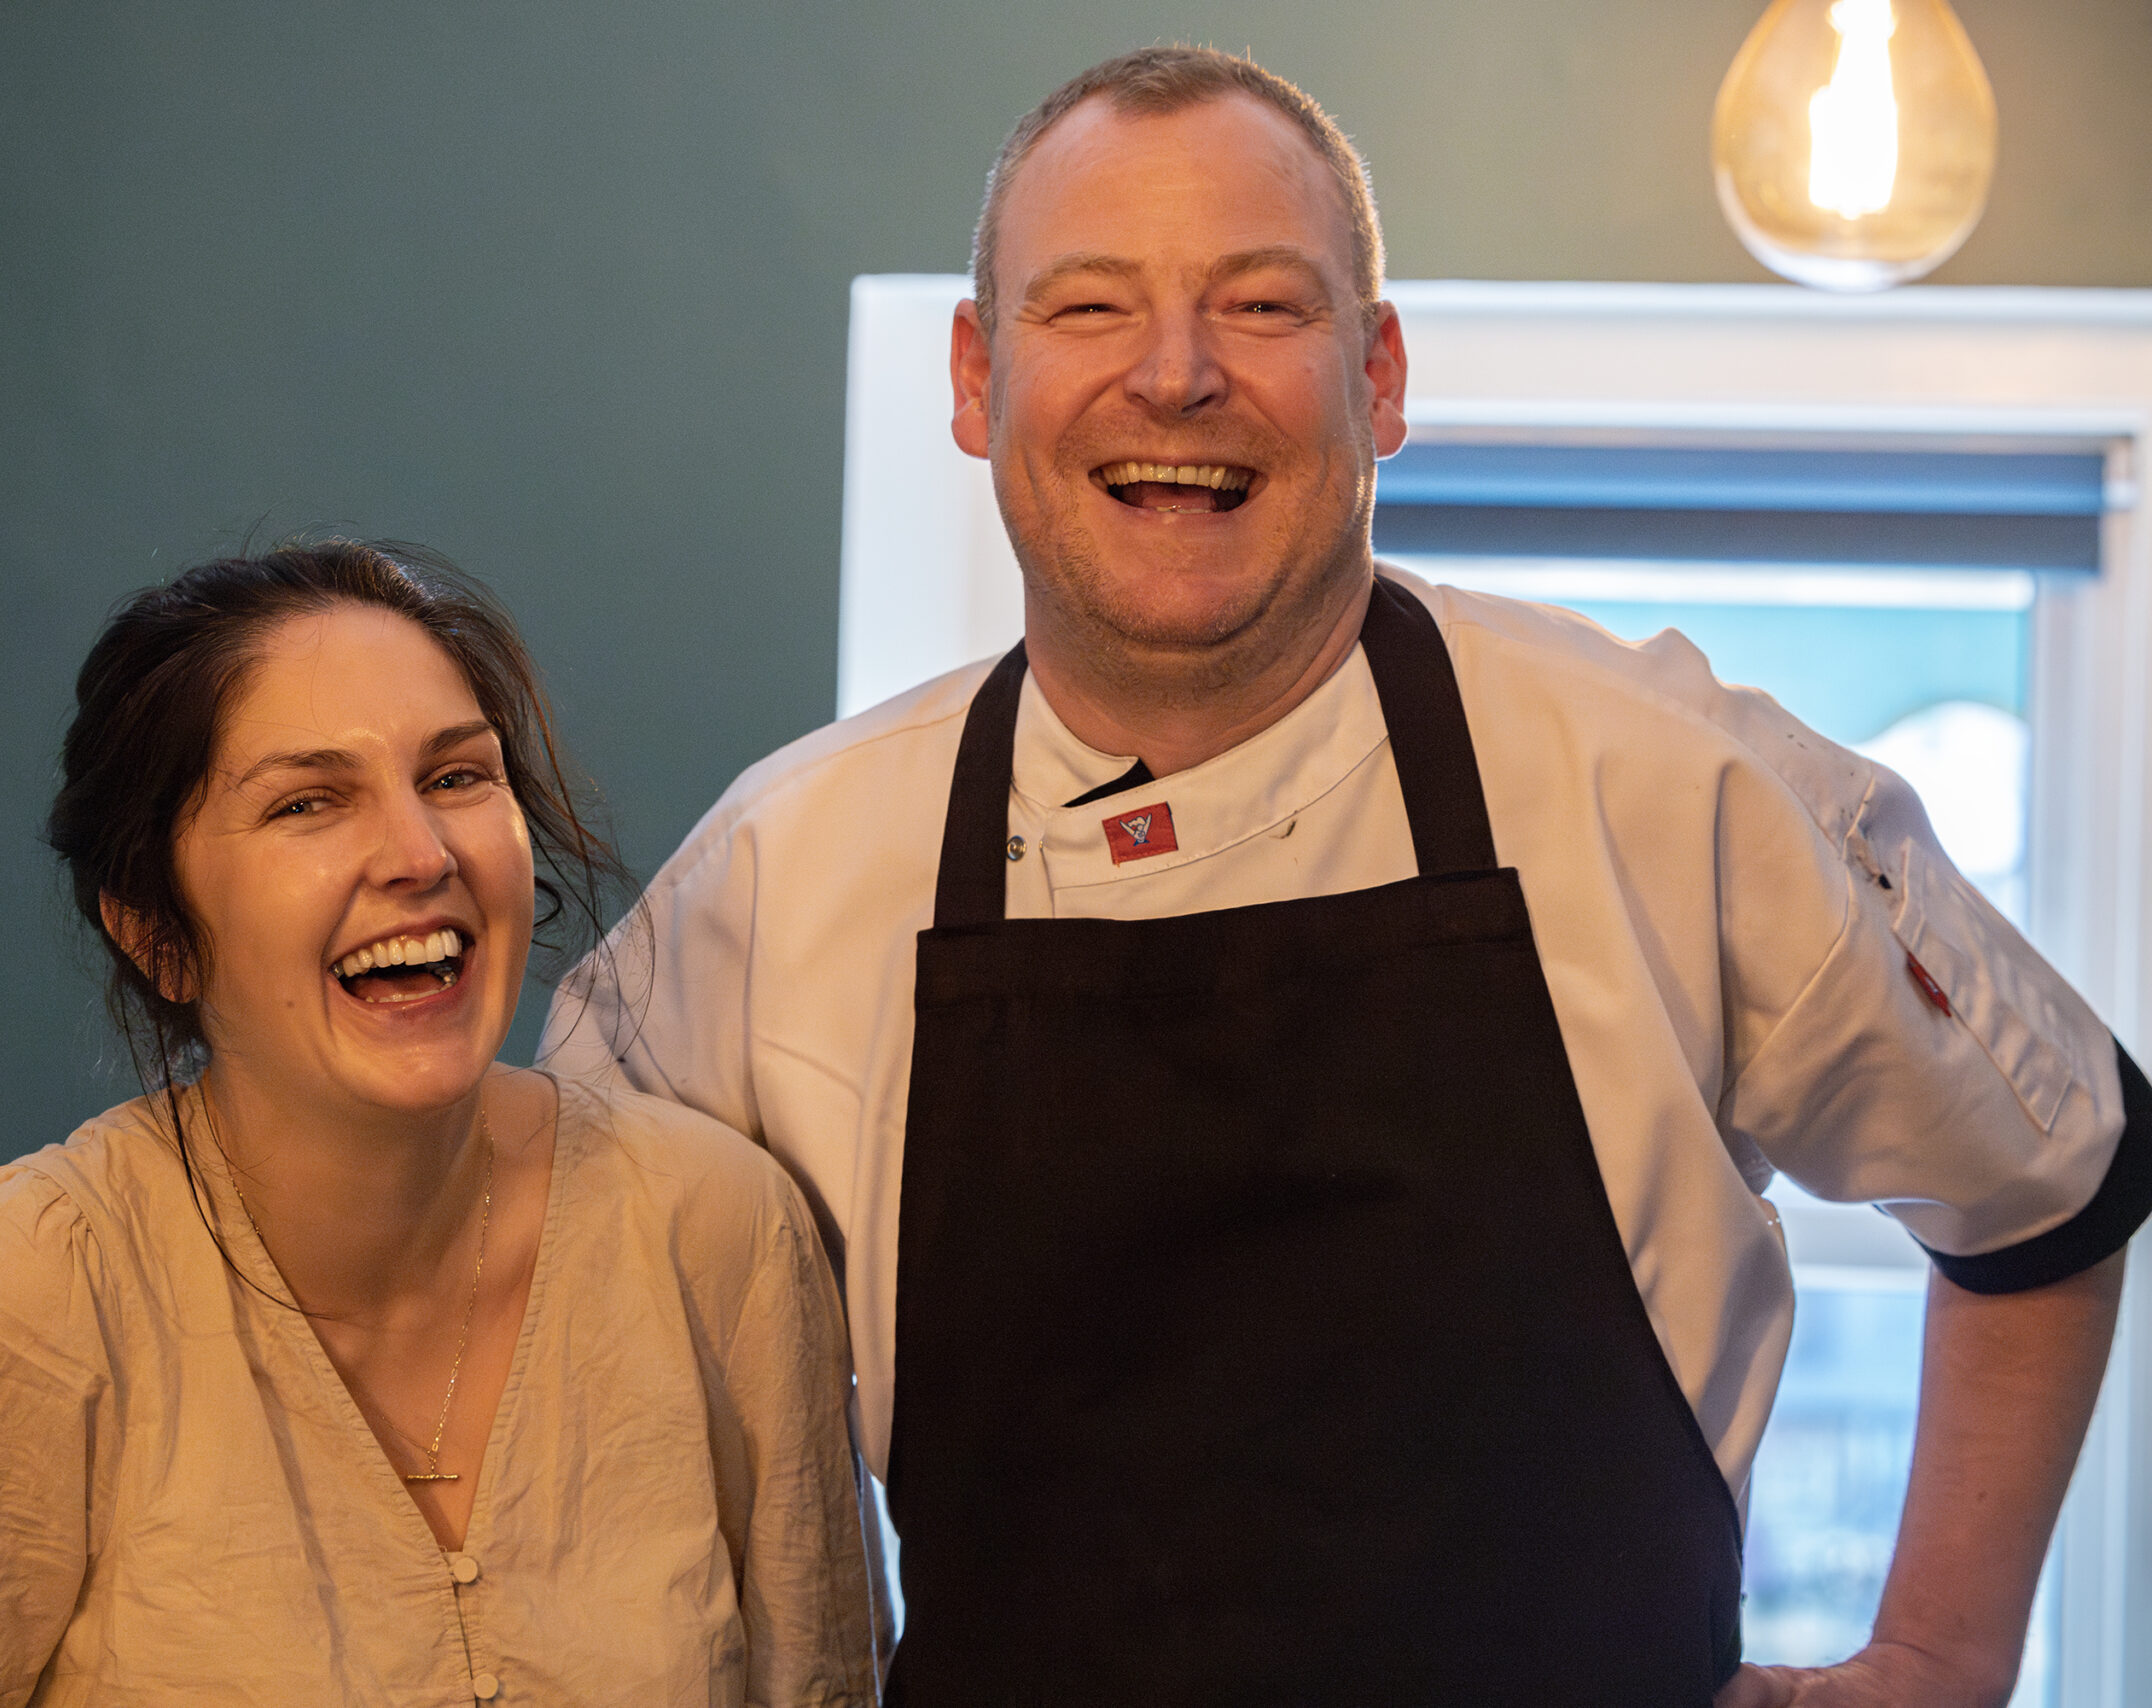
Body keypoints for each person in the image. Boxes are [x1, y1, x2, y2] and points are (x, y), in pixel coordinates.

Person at [542, 46, 2151, 1708]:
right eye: (1088, 307)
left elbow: (2053, 1168)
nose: (1176, 375)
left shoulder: (1667, 781)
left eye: (1262, 305)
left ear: (1378, 376)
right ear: (975, 377)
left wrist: (1940, 1658)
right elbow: (555, 1332)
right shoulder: (775, 882)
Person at [0, 540, 881, 1706]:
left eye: (457, 776)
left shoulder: (716, 1230)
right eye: (307, 802)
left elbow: (826, 1682)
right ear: (157, 935)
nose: (420, 855)